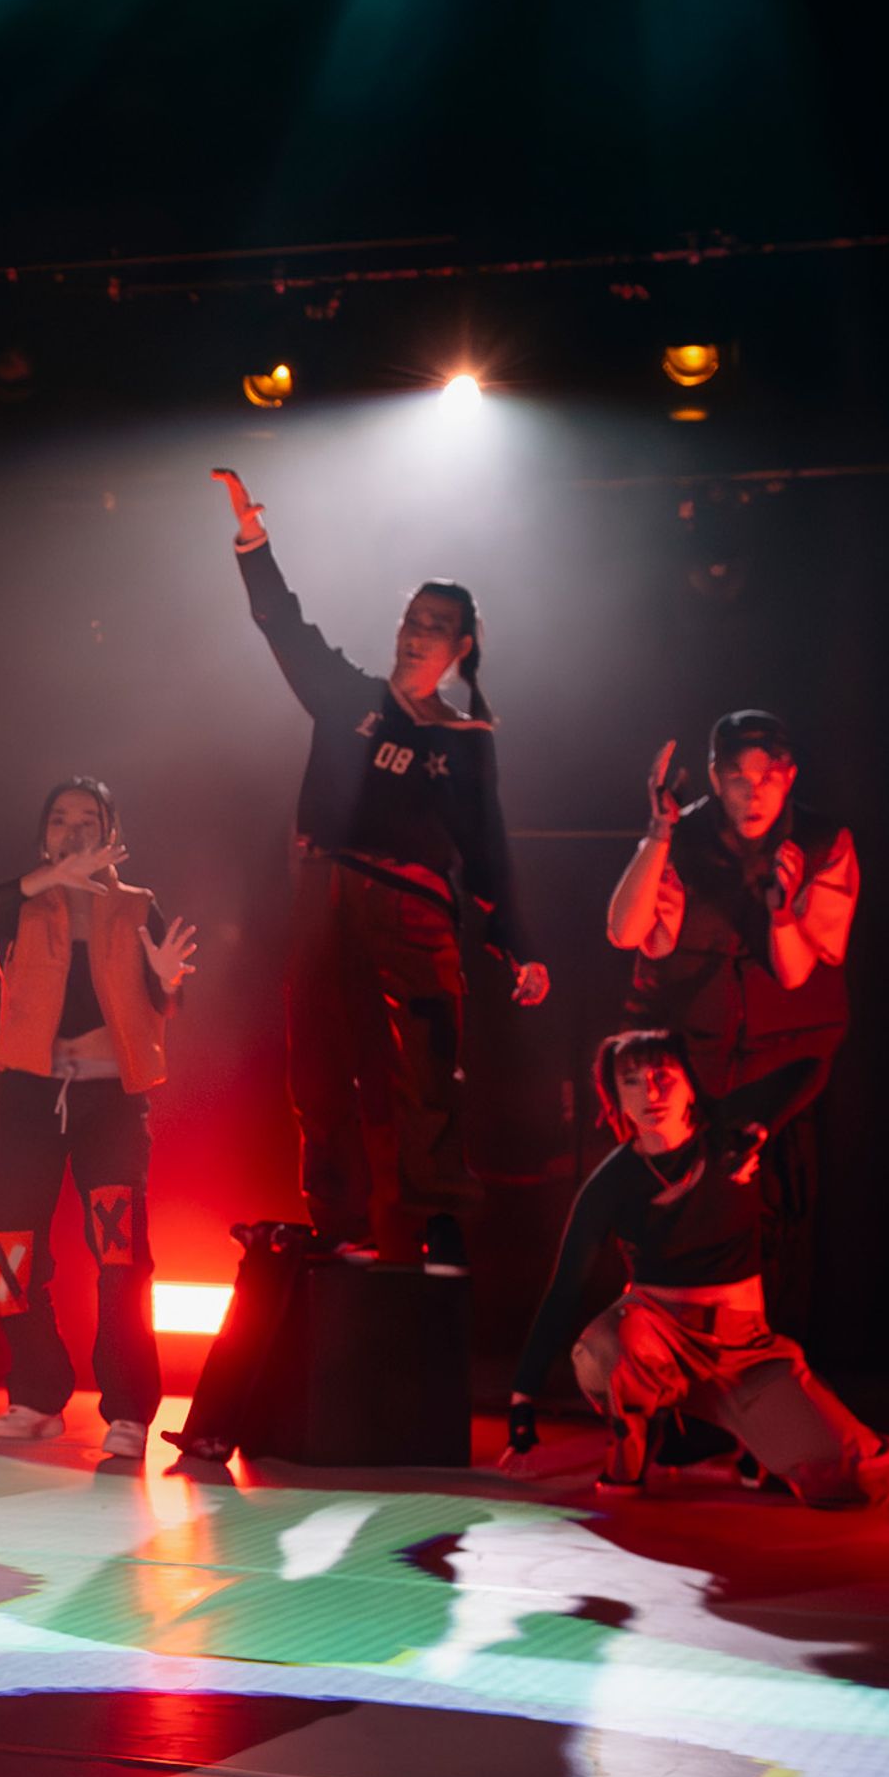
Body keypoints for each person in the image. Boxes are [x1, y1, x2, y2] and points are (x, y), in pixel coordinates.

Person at [212, 466, 548, 1271]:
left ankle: (436, 1219)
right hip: (325, 891)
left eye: (435, 625)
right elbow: (283, 626)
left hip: (416, 907)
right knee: (317, 1067)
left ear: (460, 647)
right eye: (410, 617)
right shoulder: (346, 695)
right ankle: (337, 1221)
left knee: (425, 1072)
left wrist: (518, 940)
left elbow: (486, 838)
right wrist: (254, 542)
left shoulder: (468, 739)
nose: (415, 632)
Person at [505, 1031, 889, 1505]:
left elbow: (812, 1068)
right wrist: (523, 1396)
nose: (650, 1094)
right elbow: (565, 1288)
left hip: (742, 1349)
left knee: (854, 1480)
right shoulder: (611, 1183)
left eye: (662, 1077)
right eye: (631, 1082)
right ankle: (633, 1444)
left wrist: (761, 1129)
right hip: (656, 1339)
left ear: (690, 1083)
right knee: (604, 1349)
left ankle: (731, 1436)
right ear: (616, 1099)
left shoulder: (727, 1130)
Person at [0, 779, 200, 1457]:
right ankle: (38, 1394)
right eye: (61, 820)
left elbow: (162, 1001)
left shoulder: (138, 906)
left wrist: (170, 980)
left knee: (121, 1257)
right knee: (9, 1253)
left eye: (87, 819)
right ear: (44, 835)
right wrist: (46, 878)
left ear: (110, 831)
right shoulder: (24, 904)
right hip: (28, 1102)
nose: (74, 830)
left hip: (108, 1104)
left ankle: (127, 1410)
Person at [606, 711, 859, 1329]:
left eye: (766, 777)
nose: (753, 793)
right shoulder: (682, 841)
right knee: (671, 1242)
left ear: (789, 776)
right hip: (690, 1084)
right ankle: (674, 1388)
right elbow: (624, 932)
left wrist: (780, 914)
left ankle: (762, 1394)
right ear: (715, 779)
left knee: (773, 1242)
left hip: (778, 1086)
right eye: (737, 778)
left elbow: (797, 973)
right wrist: (658, 834)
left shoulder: (825, 844)